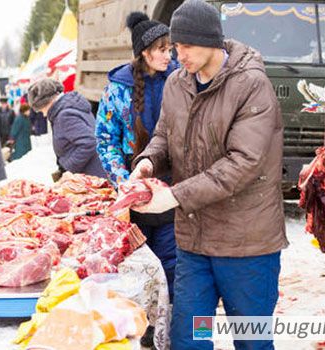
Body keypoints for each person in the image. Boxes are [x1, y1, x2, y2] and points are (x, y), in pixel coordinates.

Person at [130, 1, 286, 349]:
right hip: (195, 246)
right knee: (192, 340)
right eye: (174, 46)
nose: (177, 55)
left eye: (186, 46)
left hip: (246, 247)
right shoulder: (177, 84)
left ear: (212, 41)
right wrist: (148, 163)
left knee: (251, 342)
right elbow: (163, 136)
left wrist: (175, 196)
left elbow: (242, 163)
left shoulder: (251, 85)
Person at [95, 10, 178, 323]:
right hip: (135, 195)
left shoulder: (179, 80)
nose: (168, 55)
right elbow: (105, 140)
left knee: (172, 264)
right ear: (144, 52)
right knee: (141, 266)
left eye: (170, 48)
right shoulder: (118, 88)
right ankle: (142, 326)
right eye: (162, 49)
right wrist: (124, 183)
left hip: (172, 191)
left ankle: (172, 328)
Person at [28, 78, 106, 178]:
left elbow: (89, 142)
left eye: (40, 109)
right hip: (94, 171)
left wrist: (68, 169)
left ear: (46, 102)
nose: (43, 114)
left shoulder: (64, 116)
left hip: (91, 174)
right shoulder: (69, 107)